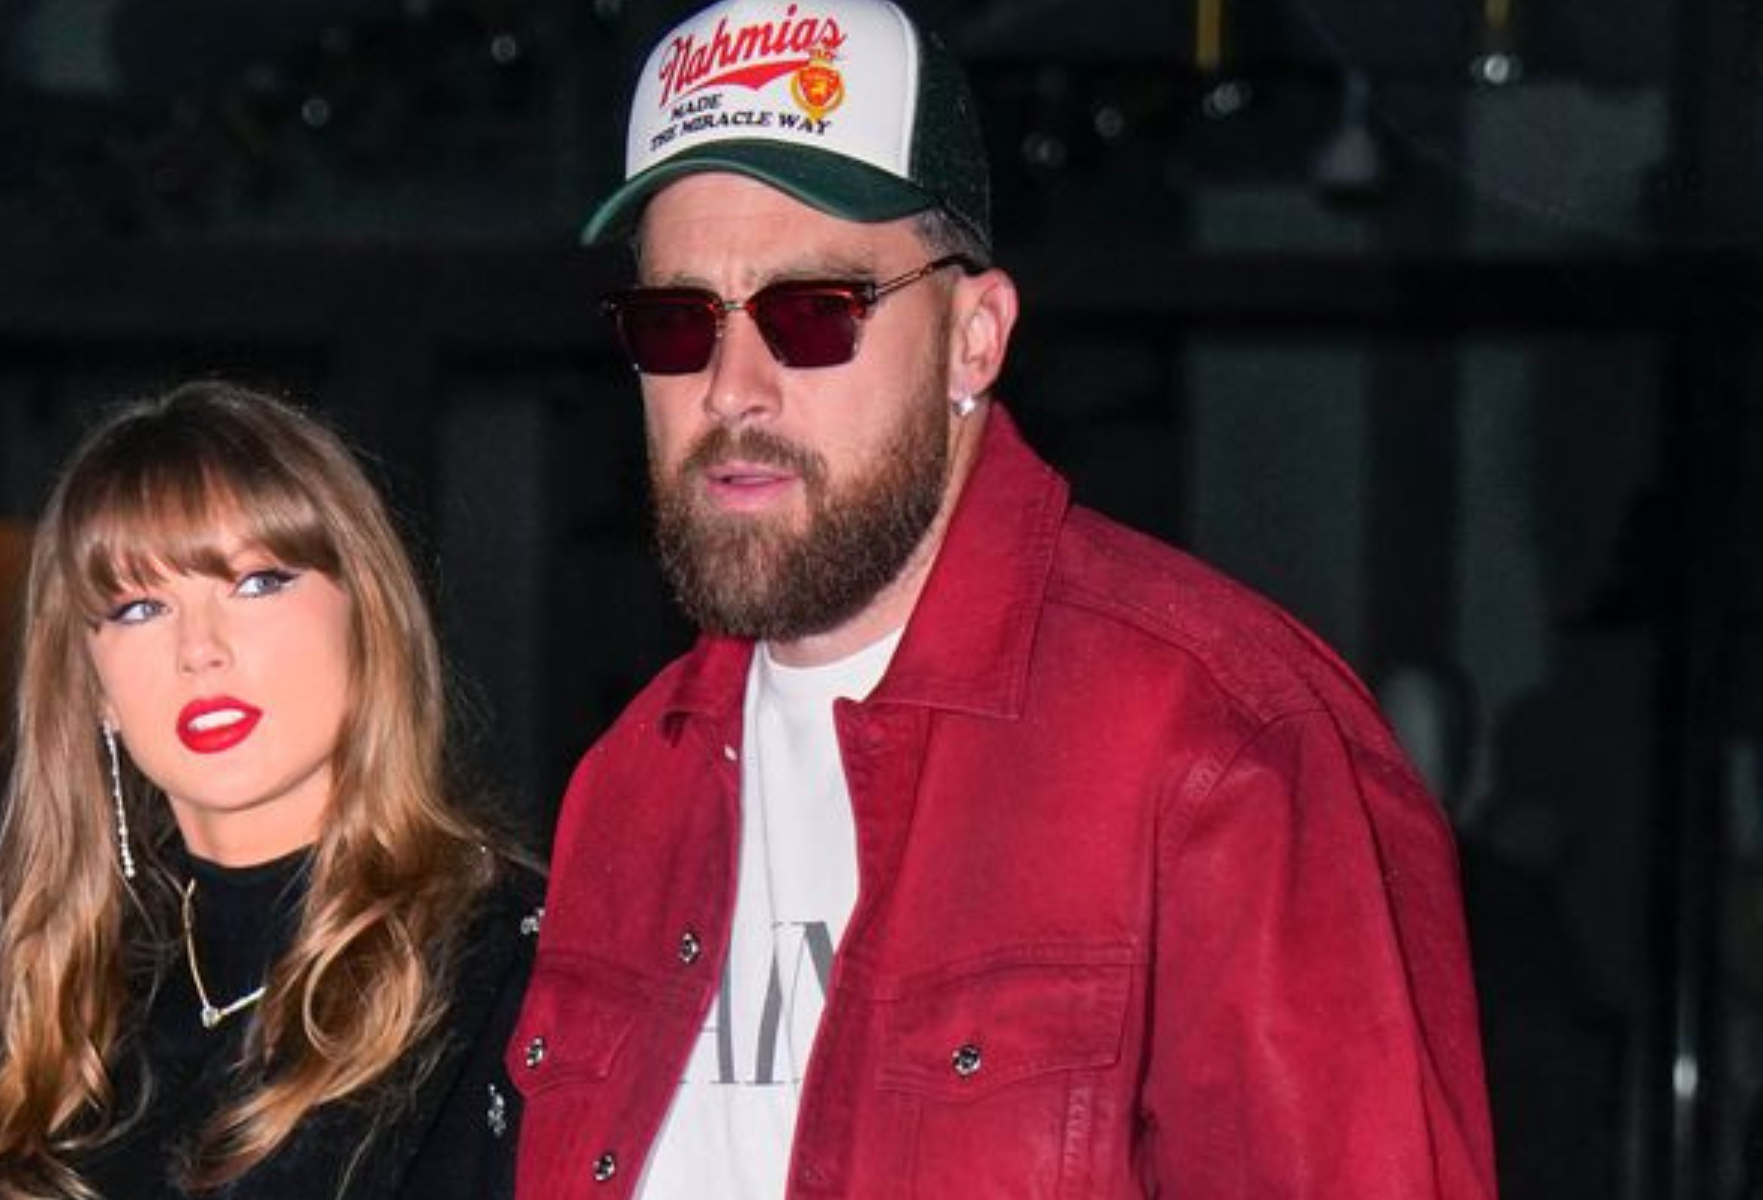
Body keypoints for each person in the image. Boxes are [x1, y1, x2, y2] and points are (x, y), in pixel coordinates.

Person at [506, 1, 1498, 1196]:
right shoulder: (628, 783)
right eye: (675, 323)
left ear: (975, 339)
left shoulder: (1221, 742)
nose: (732, 389)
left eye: (812, 313)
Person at [0, 381, 539, 1200]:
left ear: (366, 615)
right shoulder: (37, 993)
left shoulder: (504, 961)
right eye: (140, 607)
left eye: (255, 583)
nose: (198, 650)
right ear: (92, 681)